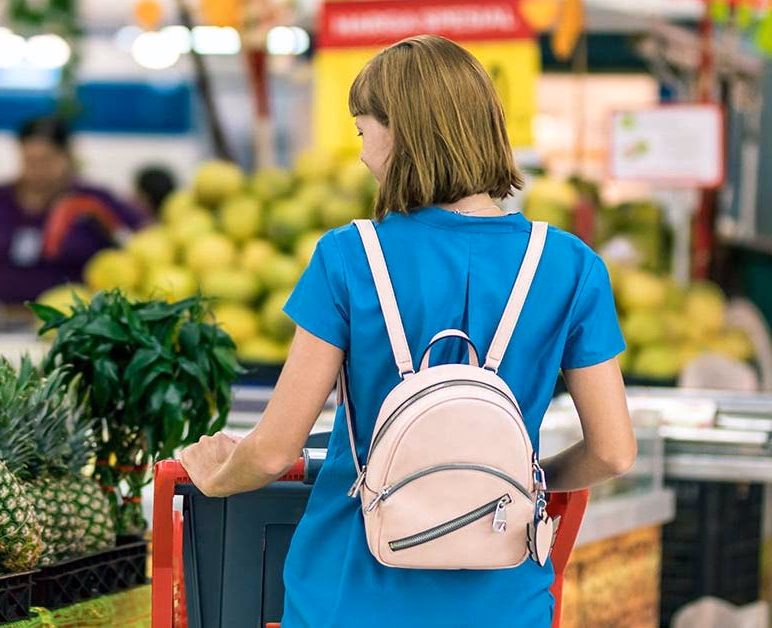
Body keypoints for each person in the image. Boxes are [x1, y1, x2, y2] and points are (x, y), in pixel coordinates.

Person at [179, 35, 636, 627]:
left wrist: (215, 478)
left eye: (364, 131)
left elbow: (271, 451)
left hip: (350, 590)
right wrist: (512, 483)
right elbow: (613, 451)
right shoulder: (570, 265)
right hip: (503, 596)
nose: (364, 155)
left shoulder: (349, 257)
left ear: (402, 134)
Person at [0, 116, 147, 304]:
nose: (37, 169)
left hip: (74, 325)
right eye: (29, 160)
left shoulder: (94, 201)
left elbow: (145, 239)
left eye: (46, 160)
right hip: (0, 318)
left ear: (67, 156)